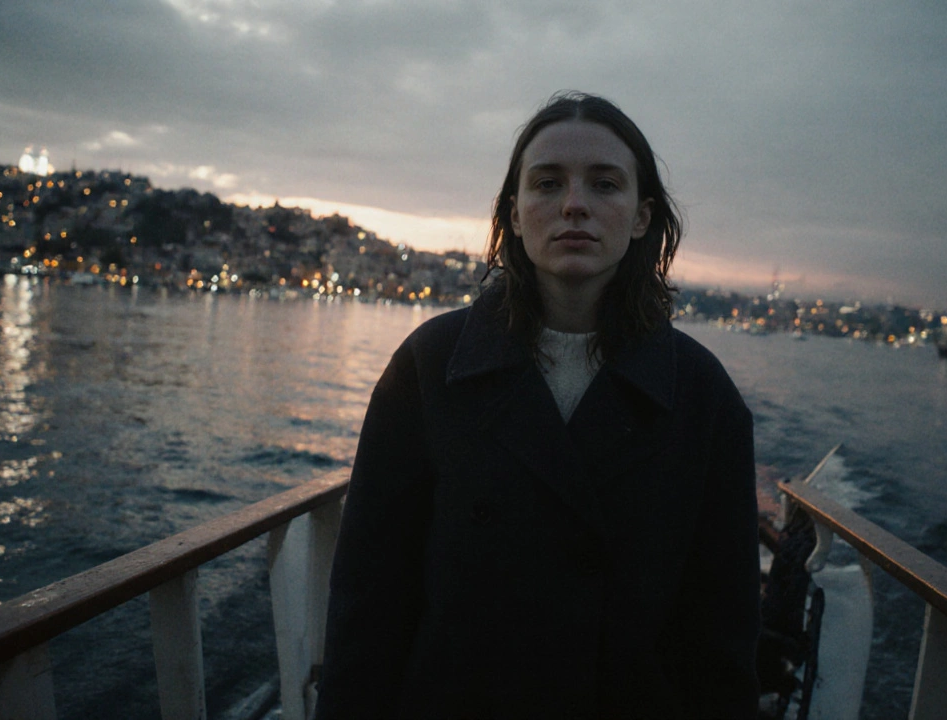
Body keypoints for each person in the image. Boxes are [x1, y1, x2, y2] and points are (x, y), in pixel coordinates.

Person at [315, 92, 760, 718]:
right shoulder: (428, 367)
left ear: (640, 217)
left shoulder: (703, 395)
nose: (573, 204)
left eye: (604, 184)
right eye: (547, 183)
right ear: (515, 216)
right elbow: (370, 598)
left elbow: (721, 629)